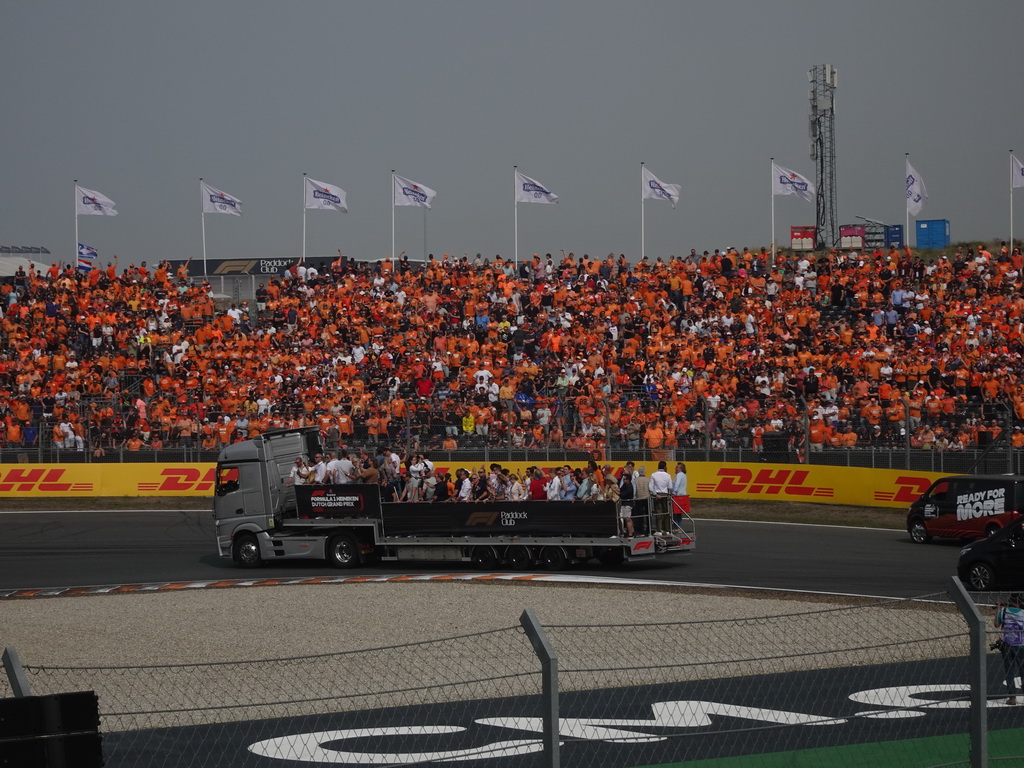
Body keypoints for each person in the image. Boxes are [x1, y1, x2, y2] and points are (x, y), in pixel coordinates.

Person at [995, 593, 1024, 705]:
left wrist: (998, 609)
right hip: (1021, 645)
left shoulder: (1004, 612)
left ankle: (1012, 698)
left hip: (1007, 645)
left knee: (1009, 671)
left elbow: (996, 624)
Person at [649, 460, 673, 533]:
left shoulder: (653, 475)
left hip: (657, 495)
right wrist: (669, 494)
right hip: (665, 495)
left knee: (658, 512)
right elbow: (670, 487)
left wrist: (655, 494)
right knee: (666, 512)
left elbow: (650, 486)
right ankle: (667, 529)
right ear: (665, 467)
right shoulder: (668, 475)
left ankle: (659, 530)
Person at [671, 462, 690, 531]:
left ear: (681, 469)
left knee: (675, 513)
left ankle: (676, 527)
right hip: (682, 495)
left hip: (677, 496)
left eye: (677, 467)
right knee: (679, 513)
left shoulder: (679, 475)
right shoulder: (684, 475)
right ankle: (678, 526)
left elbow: (677, 484)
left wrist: (674, 492)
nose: (675, 468)